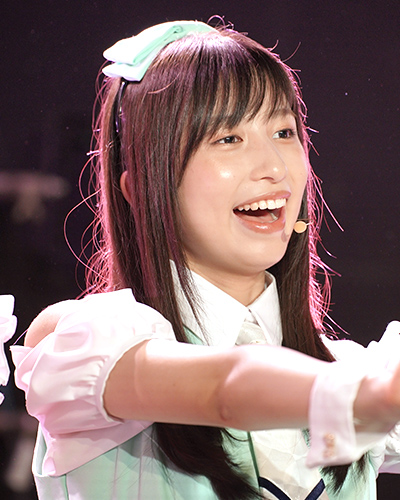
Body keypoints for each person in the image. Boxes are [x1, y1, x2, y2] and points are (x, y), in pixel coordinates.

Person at [9, 20, 400, 500]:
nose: (274, 168)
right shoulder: (86, 343)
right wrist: (368, 396)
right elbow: (226, 390)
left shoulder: (353, 368)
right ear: (144, 187)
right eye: (228, 138)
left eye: (283, 132)